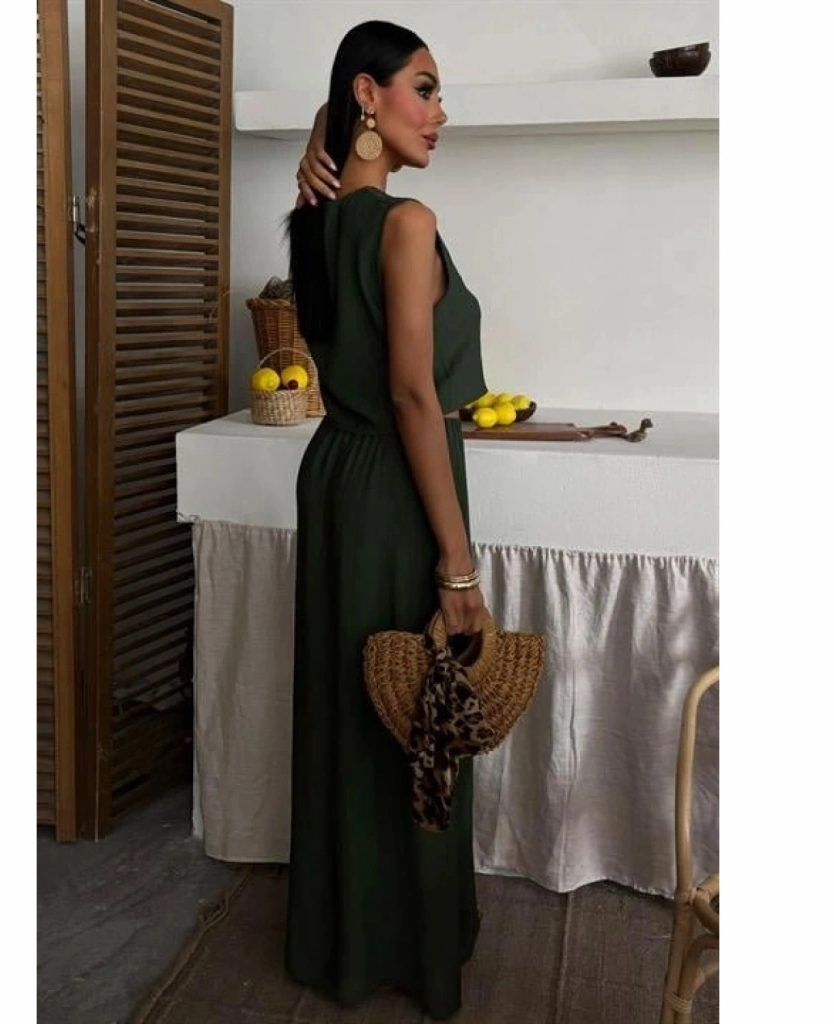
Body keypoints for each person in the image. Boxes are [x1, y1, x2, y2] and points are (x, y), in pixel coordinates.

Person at [283, 20, 488, 1021]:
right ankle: (416, 946)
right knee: (419, 715)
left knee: (357, 706)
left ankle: (346, 939)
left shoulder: (313, 219)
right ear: (370, 95)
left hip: (336, 475)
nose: (440, 112)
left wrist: (323, 130)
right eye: (425, 87)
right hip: (399, 487)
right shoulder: (405, 223)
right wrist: (458, 564)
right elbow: (413, 394)